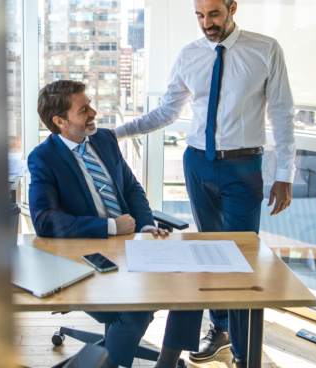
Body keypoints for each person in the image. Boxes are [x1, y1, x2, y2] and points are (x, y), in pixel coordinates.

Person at [112, 0, 296, 368]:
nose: (207, 22)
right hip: (198, 163)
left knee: (241, 257)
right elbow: (167, 112)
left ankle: (246, 354)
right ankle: (221, 330)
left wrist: (285, 173)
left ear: (232, 8)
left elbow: (282, 114)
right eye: (199, 14)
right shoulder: (189, 55)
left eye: (213, 13)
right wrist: (117, 133)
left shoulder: (265, 50)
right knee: (209, 253)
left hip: (243, 167)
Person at [28, 80, 203, 368]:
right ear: (60, 121)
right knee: (136, 310)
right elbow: (44, 221)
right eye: (83, 110)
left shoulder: (105, 140)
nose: (93, 112)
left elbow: (132, 189)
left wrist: (145, 226)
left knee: (190, 282)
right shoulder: (43, 159)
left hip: (133, 246)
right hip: (88, 256)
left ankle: (167, 362)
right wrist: (110, 227)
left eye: (90, 105)